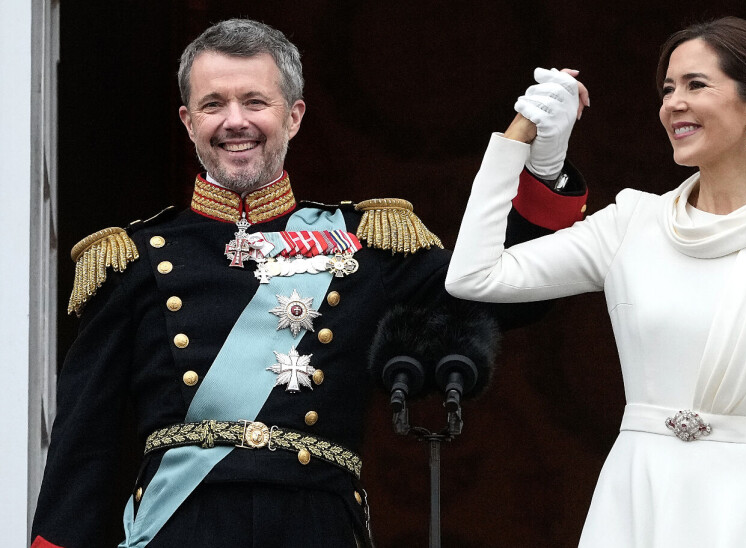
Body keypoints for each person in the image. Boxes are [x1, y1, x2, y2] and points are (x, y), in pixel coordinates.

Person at [30, 19, 587, 548]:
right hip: (182, 526)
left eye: (255, 102)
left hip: (315, 523)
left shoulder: (369, 241)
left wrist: (543, 167)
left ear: (294, 116)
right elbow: (85, 440)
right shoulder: (134, 258)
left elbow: (499, 291)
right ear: (187, 122)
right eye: (213, 104)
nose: (234, 121)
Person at [446, 16, 746, 548]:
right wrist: (522, 145)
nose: (673, 102)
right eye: (668, 88)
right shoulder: (633, 221)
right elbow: (473, 275)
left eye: (697, 85)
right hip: (633, 499)